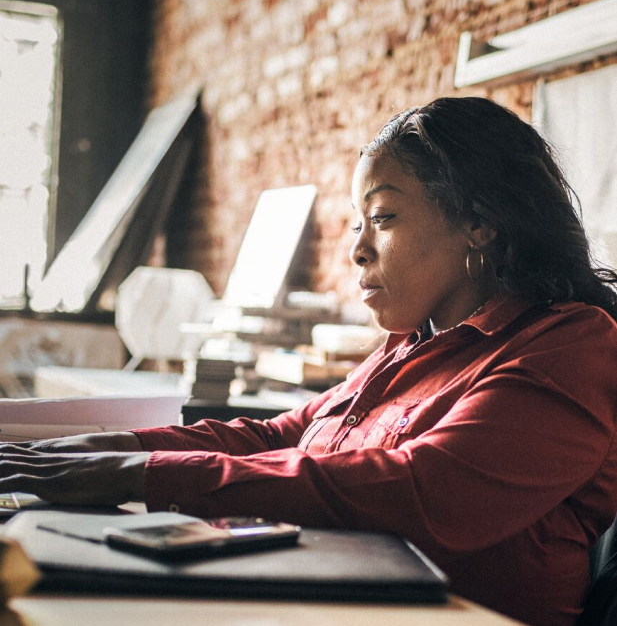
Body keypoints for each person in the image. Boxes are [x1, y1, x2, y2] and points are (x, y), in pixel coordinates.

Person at [1, 96, 617, 626]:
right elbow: (280, 434)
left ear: (479, 224)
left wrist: (142, 474)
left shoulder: (573, 347)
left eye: (382, 217)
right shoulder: (411, 344)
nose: (356, 249)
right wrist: (96, 449)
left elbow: (425, 490)